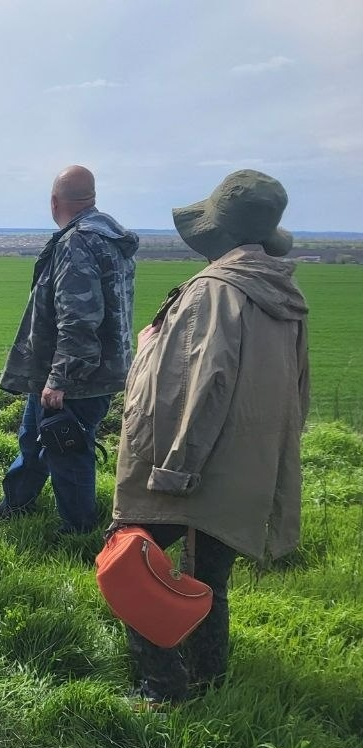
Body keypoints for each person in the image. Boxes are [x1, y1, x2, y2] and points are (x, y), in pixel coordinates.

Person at [113, 169, 309, 705]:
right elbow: (297, 390)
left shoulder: (213, 293)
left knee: (130, 563)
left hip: (190, 464)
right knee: (206, 577)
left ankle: (163, 687)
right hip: (246, 465)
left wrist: (173, 468)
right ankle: (209, 678)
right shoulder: (284, 294)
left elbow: (199, 388)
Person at [0, 165, 138, 534]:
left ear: (55, 201)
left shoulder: (78, 242)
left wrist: (60, 379)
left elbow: (79, 318)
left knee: (67, 450)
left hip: (75, 376)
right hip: (90, 369)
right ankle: (17, 502)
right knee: (33, 437)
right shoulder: (111, 240)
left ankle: (77, 529)